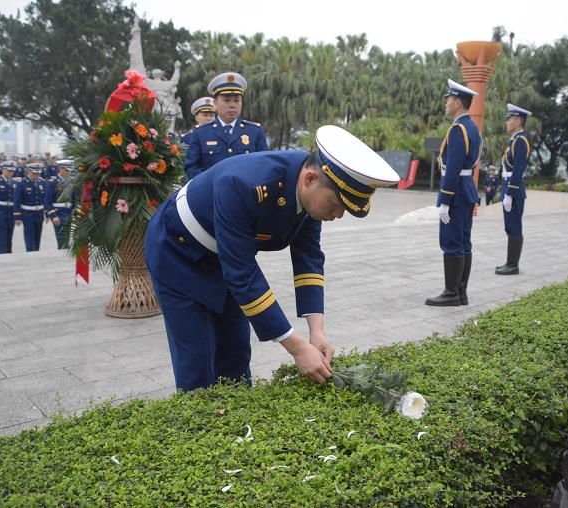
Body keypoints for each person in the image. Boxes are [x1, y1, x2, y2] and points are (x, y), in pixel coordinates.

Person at [145, 125, 399, 392]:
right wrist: (297, 347)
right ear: (310, 179)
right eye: (335, 205)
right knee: (196, 361)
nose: (337, 215)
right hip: (179, 253)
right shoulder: (243, 183)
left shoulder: (310, 197)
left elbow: (309, 260)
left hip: (226, 256)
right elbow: (242, 274)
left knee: (236, 354)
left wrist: (317, 332)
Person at [425, 79, 481, 307]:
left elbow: (453, 168)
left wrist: (445, 200)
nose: (446, 103)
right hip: (466, 190)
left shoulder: (459, 129)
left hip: (456, 193)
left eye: (448, 99)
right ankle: (461, 292)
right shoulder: (472, 128)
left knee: (452, 242)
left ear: (458, 102)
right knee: (464, 242)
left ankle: (451, 293)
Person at [183, 72, 269, 180]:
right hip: (211, 193)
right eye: (226, 100)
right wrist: (207, 184)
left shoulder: (254, 131)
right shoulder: (201, 133)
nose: (232, 105)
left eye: (236, 100)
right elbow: (191, 166)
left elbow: (264, 165)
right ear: (215, 103)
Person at [495, 103, 532, 276]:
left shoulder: (521, 141)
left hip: (514, 190)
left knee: (514, 226)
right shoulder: (515, 140)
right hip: (508, 187)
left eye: (510, 119)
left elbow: (517, 170)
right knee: (509, 226)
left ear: (518, 120)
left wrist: (510, 193)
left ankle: (513, 265)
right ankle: (509, 262)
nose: (507, 122)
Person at [13, 162, 46, 251]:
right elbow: (17, 201)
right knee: (29, 237)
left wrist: (47, 213)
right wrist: (17, 216)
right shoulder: (21, 184)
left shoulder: (42, 182)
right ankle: (31, 254)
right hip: (28, 214)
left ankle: (36, 252)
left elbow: (44, 199)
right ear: (29, 172)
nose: (37, 175)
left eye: (38, 173)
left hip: (39, 214)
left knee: (37, 237)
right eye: (34, 173)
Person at [44, 159, 76, 249]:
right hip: (58, 213)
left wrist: (75, 209)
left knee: (66, 240)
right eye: (67, 170)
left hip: (68, 212)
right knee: (61, 241)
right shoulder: (52, 183)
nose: (69, 172)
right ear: (61, 169)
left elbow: (74, 199)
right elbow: (47, 201)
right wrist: (53, 215)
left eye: (69, 170)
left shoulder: (71, 182)